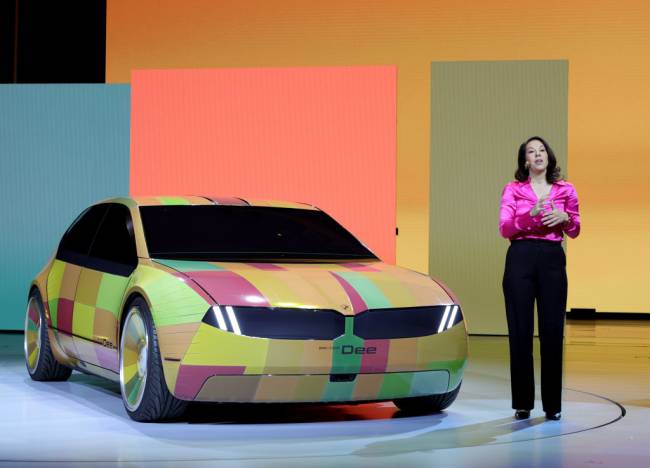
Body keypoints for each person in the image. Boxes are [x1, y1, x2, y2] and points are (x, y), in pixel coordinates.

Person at [499, 136, 580, 421]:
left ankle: (552, 405)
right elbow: (505, 228)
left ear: (549, 156)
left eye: (541, 150)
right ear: (525, 160)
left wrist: (564, 218)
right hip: (520, 257)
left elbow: (575, 229)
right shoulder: (513, 189)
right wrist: (530, 216)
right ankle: (522, 403)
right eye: (531, 151)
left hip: (552, 259)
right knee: (520, 332)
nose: (538, 154)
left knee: (551, 332)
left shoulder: (565, 189)